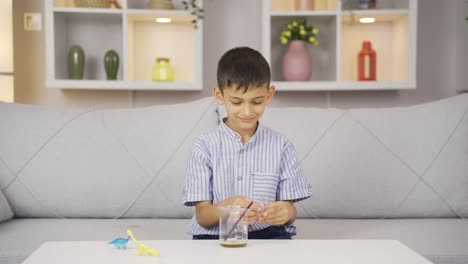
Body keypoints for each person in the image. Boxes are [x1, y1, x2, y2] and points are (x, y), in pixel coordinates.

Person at [183, 47, 312, 239]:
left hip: (268, 234)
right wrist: (228, 208)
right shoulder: (203, 146)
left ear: (269, 94)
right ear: (219, 95)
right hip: (215, 236)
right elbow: (202, 216)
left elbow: (290, 211)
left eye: (257, 101)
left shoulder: (281, 146)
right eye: (236, 102)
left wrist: (285, 211)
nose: (247, 112)